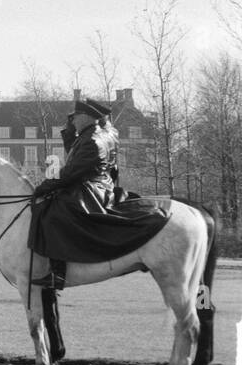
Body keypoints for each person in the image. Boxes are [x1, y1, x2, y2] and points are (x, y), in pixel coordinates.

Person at [28, 99, 166, 289]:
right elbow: (76, 156)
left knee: (54, 212)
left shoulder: (92, 140)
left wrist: (43, 187)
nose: (73, 120)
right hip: (102, 184)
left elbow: (71, 171)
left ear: (86, 117)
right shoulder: (102, 133)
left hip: (92, 189)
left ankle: (58, 272)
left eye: (75, 117)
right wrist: (69, 135)